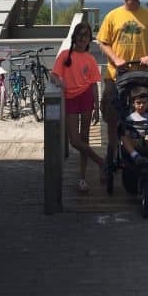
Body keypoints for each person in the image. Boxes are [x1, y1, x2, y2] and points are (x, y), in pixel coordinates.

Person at [97, 0, 148, 158]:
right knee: (112, 116)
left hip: (140, 75)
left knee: (142, 113)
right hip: (115, 74)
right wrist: (115, 58)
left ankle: (138, 147)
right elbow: (103, 42)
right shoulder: (112, 15)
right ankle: (112, 152)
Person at [51, 21, 104, 193]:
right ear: (75, 37)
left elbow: (94, 84)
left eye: (86, 36)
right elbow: (53, 75)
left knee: (85, 138)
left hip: (86, 98)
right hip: (70, 99)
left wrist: (97, 106)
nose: (83, 39)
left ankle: (82, 178)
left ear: (90, 39)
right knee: (75, 141)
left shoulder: (90, 58)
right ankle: (100, 162)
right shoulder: (65, 55)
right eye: (80, 35)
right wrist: (59, 82)